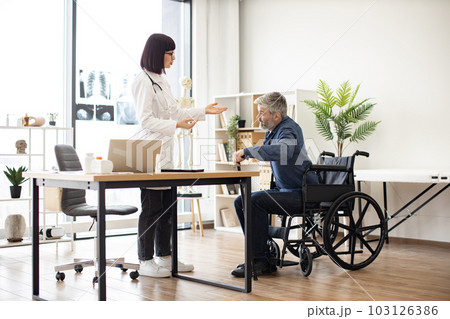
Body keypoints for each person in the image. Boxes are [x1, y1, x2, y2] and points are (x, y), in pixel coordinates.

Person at [132, 33, 227, 278]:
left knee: (167, 209)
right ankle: (145, 260)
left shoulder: (162, 80)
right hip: (150, 154)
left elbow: (175, 111)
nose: (174, 58)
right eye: (170, 53)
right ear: (157, 53)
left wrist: (203, 110)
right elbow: (146, 120)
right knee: (151, 209)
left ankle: (165, 256)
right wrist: (176, 126)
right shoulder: (143, 80)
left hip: (166, 155)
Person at [231, 92, 318, 277]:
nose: (258, 117)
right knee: (241, 201)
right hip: (285, 190)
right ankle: (261, 256)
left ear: (276, 116)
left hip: (301, 193)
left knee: (254, 201)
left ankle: (260, 260)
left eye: (262, 113)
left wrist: (247, 151)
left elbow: (283, 150)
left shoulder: (289, 129)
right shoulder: (274, 130)